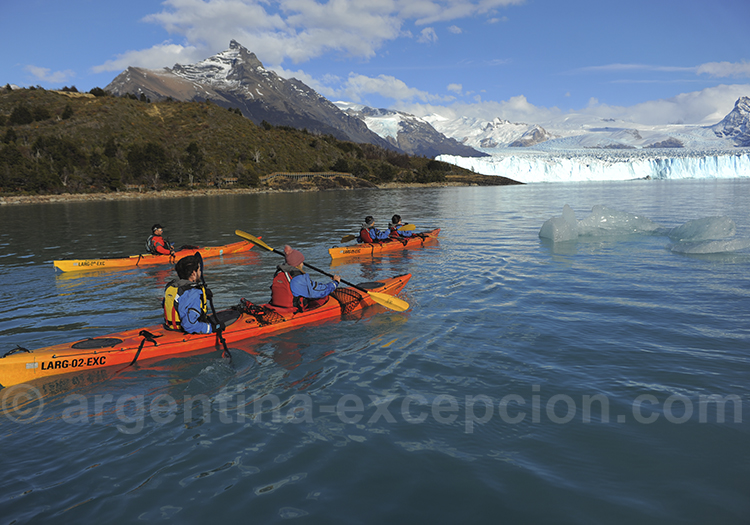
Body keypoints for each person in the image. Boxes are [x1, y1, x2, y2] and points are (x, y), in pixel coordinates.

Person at [270, 245, 341, 311]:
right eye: (302, 262)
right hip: (292, 310)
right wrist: (335, 283)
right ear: (298, 264)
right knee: (323, 298)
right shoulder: (298, 278)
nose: (303, 264)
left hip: (276, 306)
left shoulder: (280, 273)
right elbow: (318, 292)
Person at [163, 255, 213, 334]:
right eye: (199, 270)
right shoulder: (193, 293)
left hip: (171, 329)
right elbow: (189, 326)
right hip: (185, 331)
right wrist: (211, 328)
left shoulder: (172, 287)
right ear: (194, 273)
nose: (200, 273)